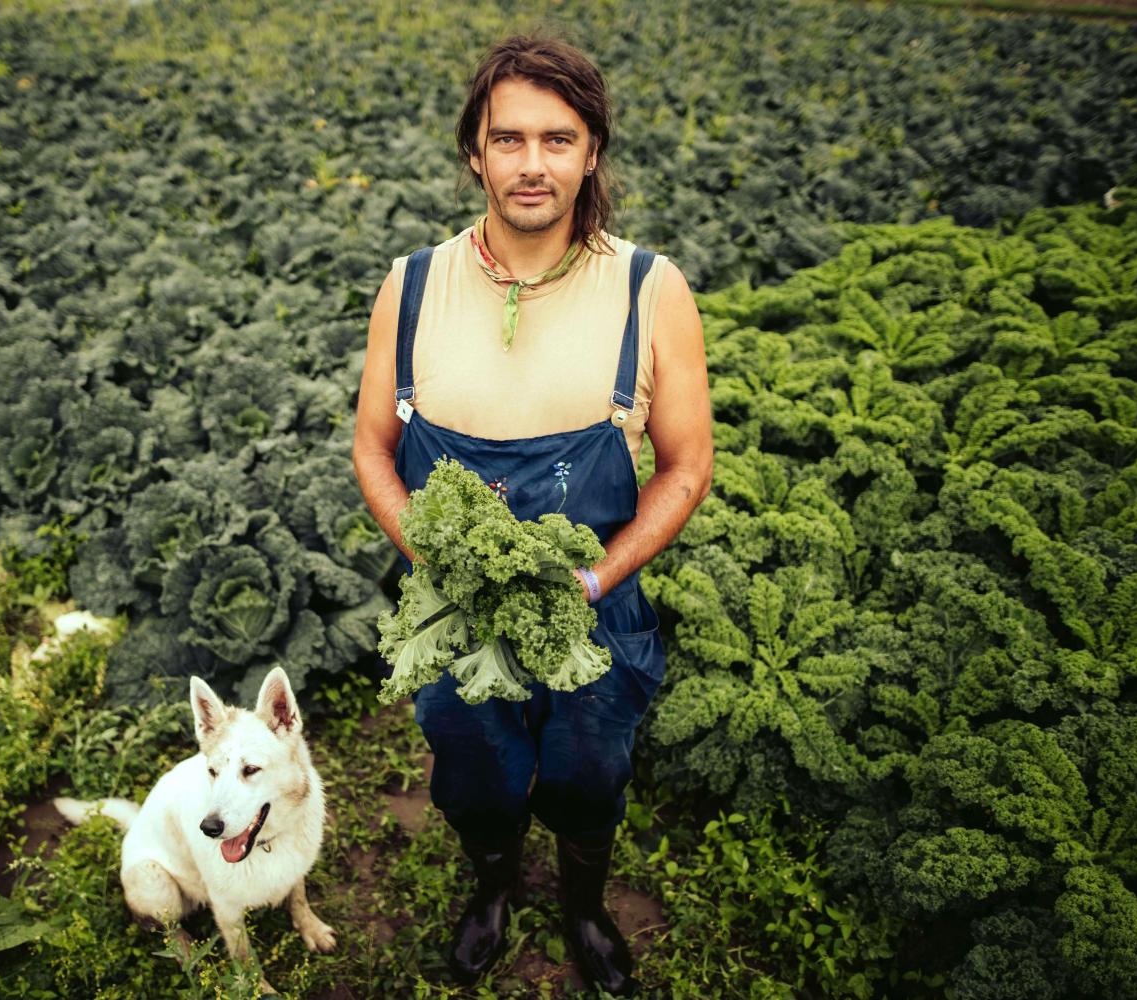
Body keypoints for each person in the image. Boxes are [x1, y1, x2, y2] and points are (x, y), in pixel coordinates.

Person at [352, 34, 711, 995]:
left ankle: (583, 907)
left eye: (558, 139)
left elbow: (685, 468)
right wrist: (435, 553)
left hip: (597, 598)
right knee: (472, 768)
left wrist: (596, 576)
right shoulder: (413, 283)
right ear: (475, 150)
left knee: (591, 771)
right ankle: (493, 891)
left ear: (592, 150)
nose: (531, 164)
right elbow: (372, 451)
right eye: (507, 139)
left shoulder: (649, 287)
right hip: (458, 605)